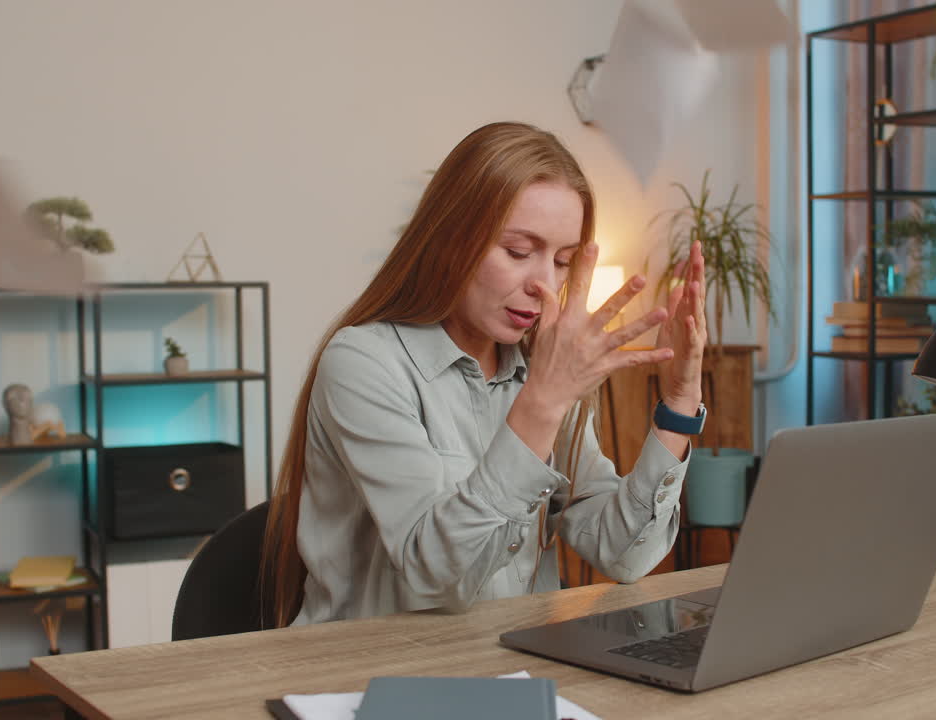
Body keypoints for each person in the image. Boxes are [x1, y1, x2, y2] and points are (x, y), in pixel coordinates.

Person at [261, 121, 707, 628]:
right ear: (452, 239)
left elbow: (623, 555)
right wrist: (542, 405)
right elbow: (437, 579)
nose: (544, 284)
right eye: (518, 252)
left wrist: (679, 403)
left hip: (511, 672)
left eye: (562, 262)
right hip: (372, 684)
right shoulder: (363, 362)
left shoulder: (539, 370)